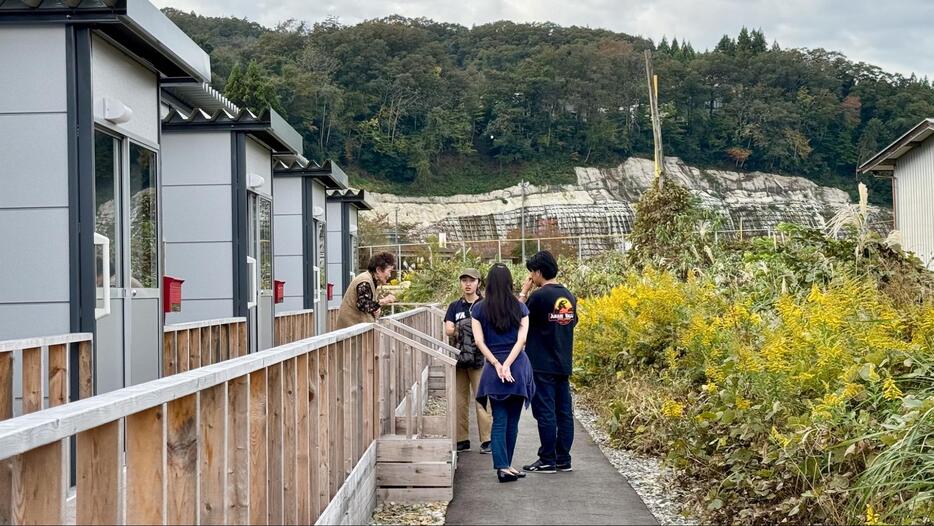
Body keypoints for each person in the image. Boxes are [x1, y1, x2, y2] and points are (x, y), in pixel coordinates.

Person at [472, 264, 535, 483]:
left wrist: (497, 364)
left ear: (487, 283)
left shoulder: (478, 309)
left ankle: (503, 466)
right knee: (513, 420)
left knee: (499, 418)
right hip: (517, 367)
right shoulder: (520, 308)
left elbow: (479, 340)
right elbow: (522, 340)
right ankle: (506, 465)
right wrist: (508, 364)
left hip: (493, 369)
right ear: (509, 282)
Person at [519, 251, 578, 474]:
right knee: (564, 412)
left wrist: (524, 292)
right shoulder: (569, 296)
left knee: (545, 411)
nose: (531, 278)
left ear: (538, 272)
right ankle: (563, 458)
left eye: (532, 273)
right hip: (563, 361)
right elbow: (572, 323)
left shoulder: (539, 297)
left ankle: (547, 459)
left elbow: (518, 318)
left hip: (541, 363)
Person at [444, 268, 492, 454]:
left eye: (471, 280)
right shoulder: (455, 306)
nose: (467, 284)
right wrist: (468, 327)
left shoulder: (484, 305)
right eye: (464, 280)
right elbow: (448, 329)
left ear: (478, 283)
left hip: (479, 358)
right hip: (458, 357)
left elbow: (488, 328)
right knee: (459, 400)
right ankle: (462, 439)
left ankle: (487, 439)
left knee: (481, 398)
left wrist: (461, 328)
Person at [334, 251, 397, 330]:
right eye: (389, 271)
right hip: (349, 332)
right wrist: (384, 301)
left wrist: (376, 308)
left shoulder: (370, 280)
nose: (390, 275)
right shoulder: (364, 281)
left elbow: (367, 304)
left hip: (353, 331)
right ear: (378, 270)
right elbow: (364, 304)